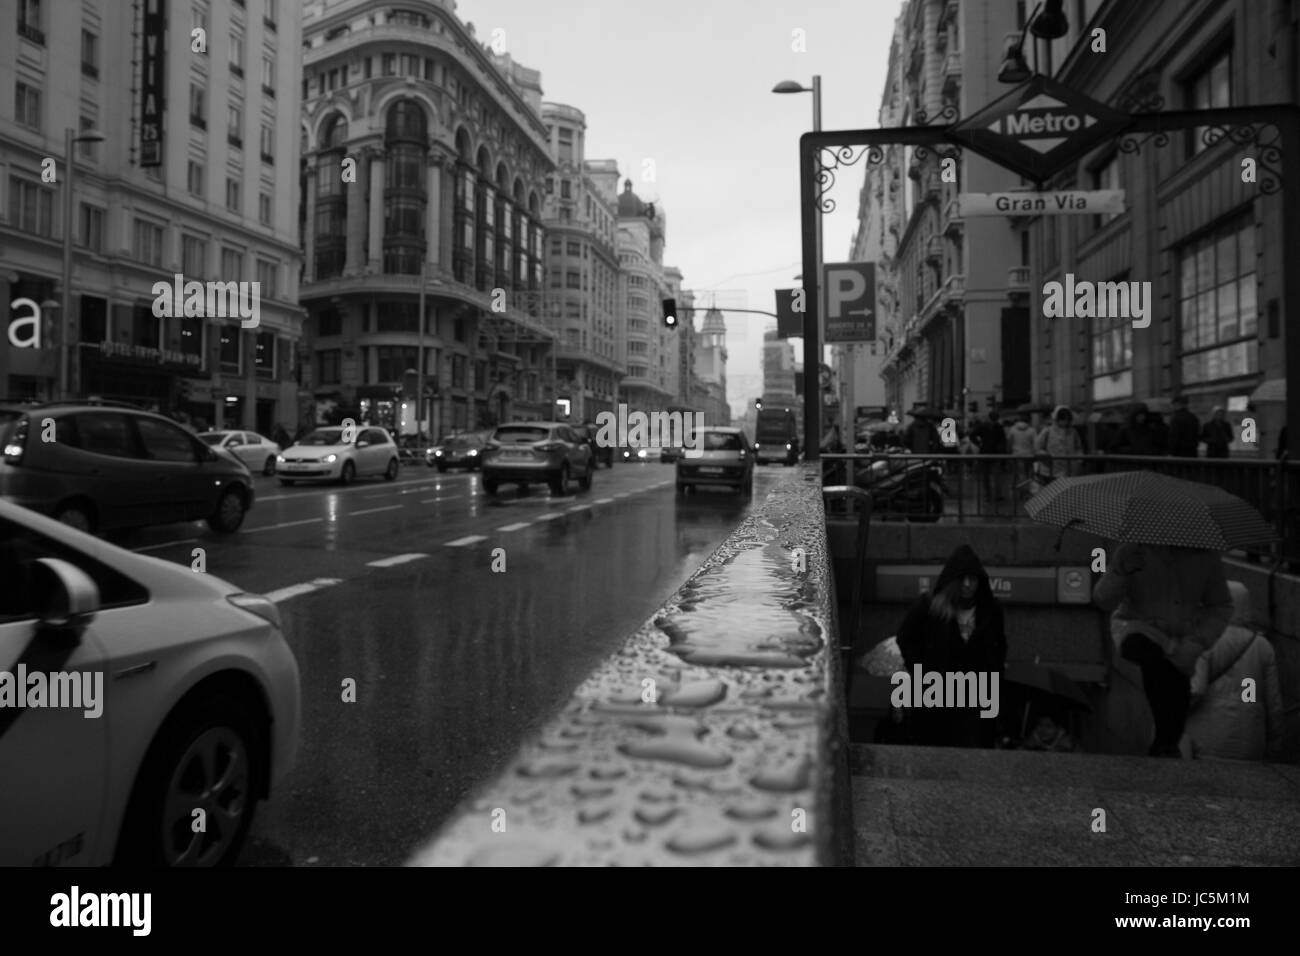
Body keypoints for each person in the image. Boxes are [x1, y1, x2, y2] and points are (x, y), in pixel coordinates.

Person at [1093, 541, 1234, 756]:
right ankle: (1164, 744)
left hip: (1182, 643)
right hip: (1136, 631)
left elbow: (1221, 606)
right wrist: (1120, 571)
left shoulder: (1205, 557)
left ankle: (1165, 746)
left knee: (1176, 694)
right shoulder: (1134, 550)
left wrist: (1197, 641)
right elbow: (1103, 600)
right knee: (1154, 663)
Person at [896, 544, 1008, 748]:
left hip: (975, 698)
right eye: (962, 579)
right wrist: (923, 671)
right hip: (937, 697)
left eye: (972, 579)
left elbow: (999, 648)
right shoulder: (929, 608)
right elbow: (905, 638)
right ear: (951, 581)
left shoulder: (991, 611)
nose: (967, 585)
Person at [1182, 582, 1285, 761]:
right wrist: (1274, 744)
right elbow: (1271, 703)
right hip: (1249, 742)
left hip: (1207, 738)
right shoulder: (1261, 645)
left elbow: (1195, 690)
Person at [1034, 405, 1083, 481]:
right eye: (1063, 419)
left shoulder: (1073, 432)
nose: (1065, 422)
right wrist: (1045, 456)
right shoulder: (1047, 431)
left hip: (1070, 471)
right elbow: (1038, 447)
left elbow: (1078, 447)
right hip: (1050, 471)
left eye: (1067, 419)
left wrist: (1079, 459)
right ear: (1057, 418)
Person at [972, 409, 1009, 504]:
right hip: (994, 454)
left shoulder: (984, 426)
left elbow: (972, 435)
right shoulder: (998, 427)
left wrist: (979, 444)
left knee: (986, 477)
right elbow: (1003, 441)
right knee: (995, 476)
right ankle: (996, 495)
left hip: (985, 453)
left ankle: (988, 495)